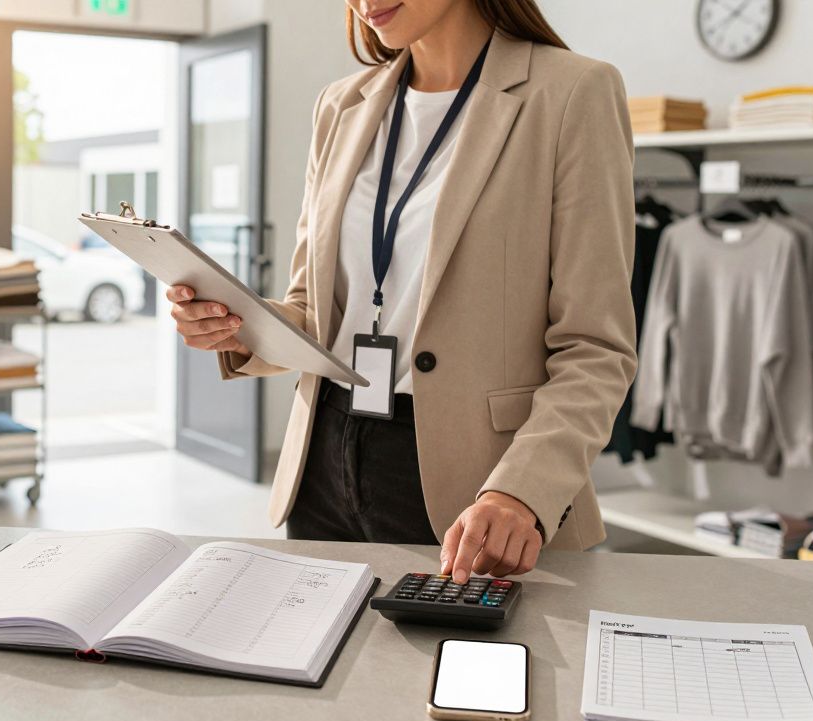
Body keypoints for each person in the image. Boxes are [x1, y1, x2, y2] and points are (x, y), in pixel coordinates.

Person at [166, 0, 636, 584]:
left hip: (481, 487)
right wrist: (235, 325)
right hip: (325, 455)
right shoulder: (341, 105)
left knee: (457, 673)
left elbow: (596, 347)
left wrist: (521, 491)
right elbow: (313, 309)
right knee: (327, 671)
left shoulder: (572, 92)